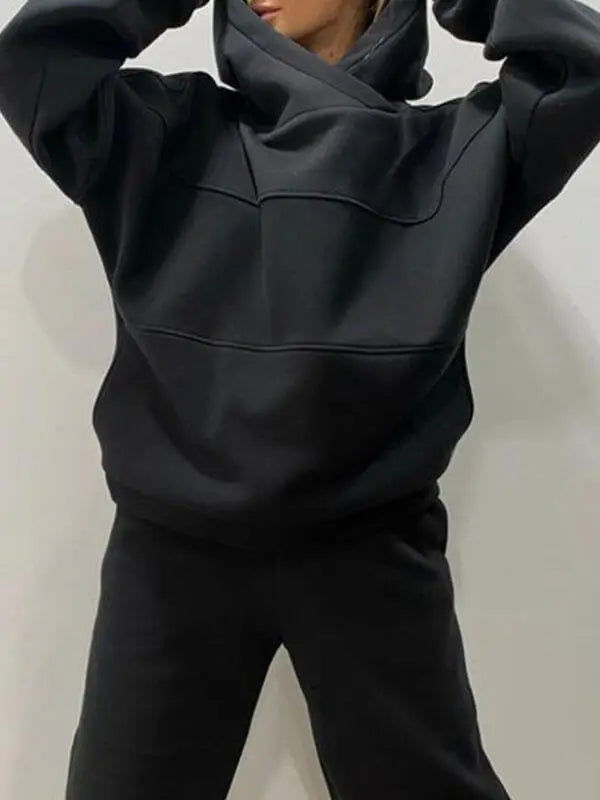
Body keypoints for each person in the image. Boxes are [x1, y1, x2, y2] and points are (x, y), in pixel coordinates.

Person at [1, 0, 599, 797]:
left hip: (369, 553)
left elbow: (581, 69)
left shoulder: (454, 153)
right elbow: (33, 65)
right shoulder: (164, 134)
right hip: (171, 556)